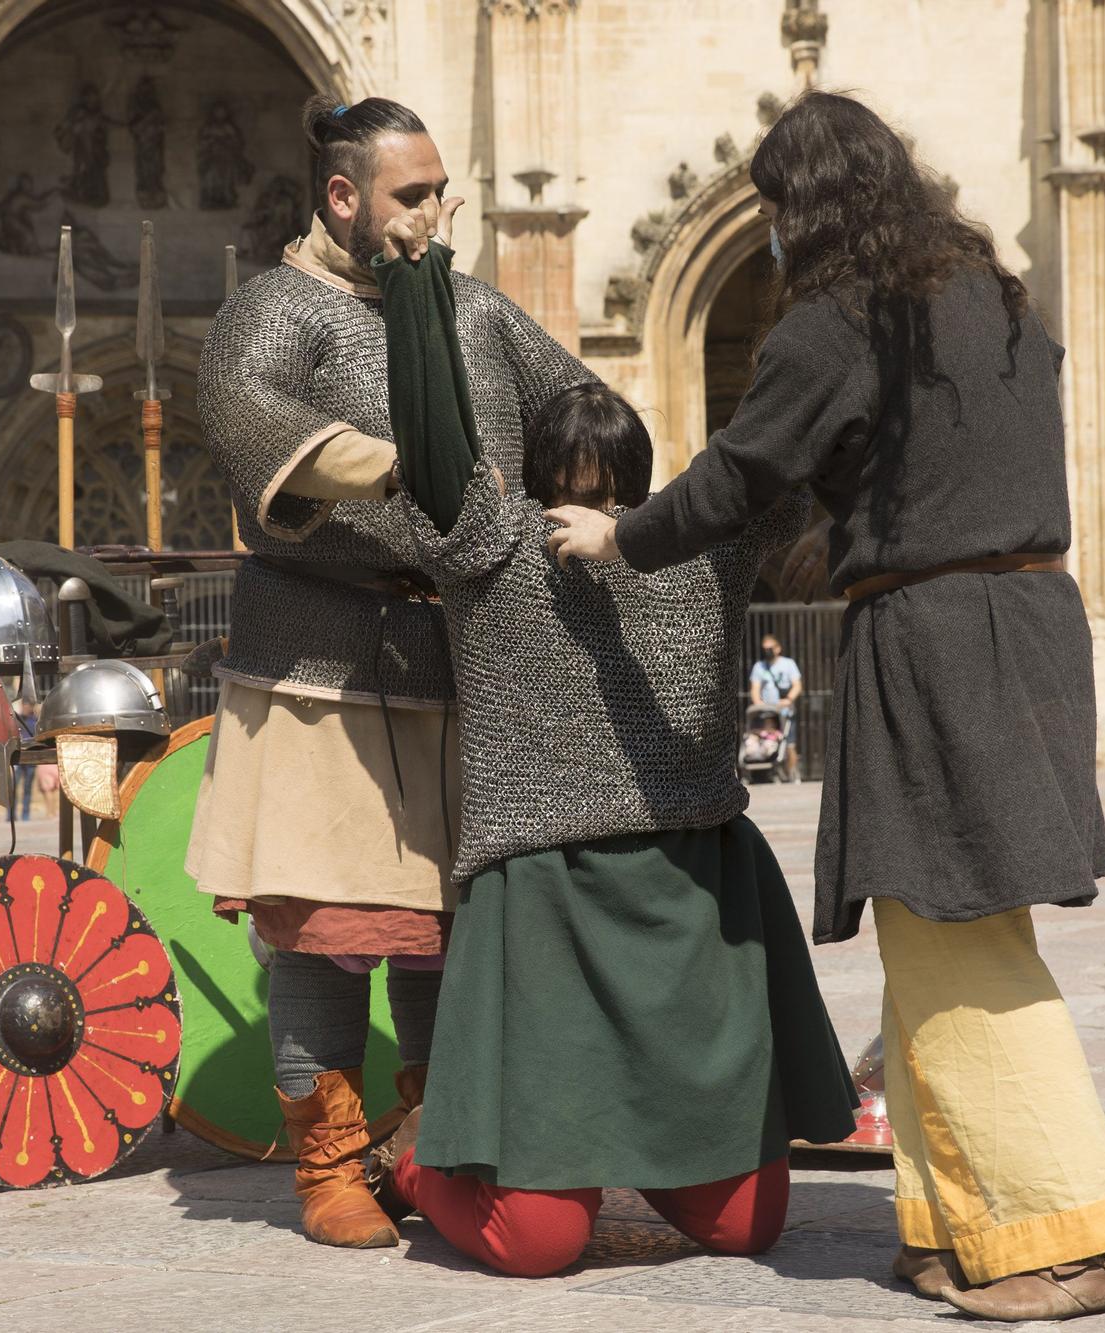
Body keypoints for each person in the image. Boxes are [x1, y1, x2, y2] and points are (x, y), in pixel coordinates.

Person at [546, 91, 1105, 1321]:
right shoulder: (991, 290)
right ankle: (955, 1224)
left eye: (774, 211)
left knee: (968, 935)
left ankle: (1081, 1231)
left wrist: (620, 537)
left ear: (801, 206)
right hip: (1027, 623)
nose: (769, 236)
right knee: (926, 927)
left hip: (939, 640)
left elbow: (741, 469)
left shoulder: (837, 317)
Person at [359, 215, 854, 1277]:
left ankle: (627, 1153)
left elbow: (791, 447)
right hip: (544, 900)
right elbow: (435, 445)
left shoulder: (703, 546)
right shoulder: (487, 548)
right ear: (536, 482)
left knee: (745, 1225)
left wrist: (833, 277)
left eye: (609, 489)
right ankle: (418, 1162)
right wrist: (414, 292)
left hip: (691, 891)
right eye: (571, 487)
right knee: (537, 1244)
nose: (587, 505)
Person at [185, 94, 591, 1251]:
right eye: (411, 195)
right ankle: (328, 1160)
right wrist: (418, 466)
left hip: (456, 660)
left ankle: (429, 1145)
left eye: (439, 189)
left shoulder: (470, 307)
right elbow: (246, 414)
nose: (435, 211)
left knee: (438, 927)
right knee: (322, 928)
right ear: (343, 197)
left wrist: (599, 452)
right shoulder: (276, 311)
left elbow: (575, 402)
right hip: (316, 662)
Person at [749, 633, 804, 780]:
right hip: (768, 713)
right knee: (769, 742)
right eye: (765, 648)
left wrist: (788, 699)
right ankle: (773, 773)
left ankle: (792, 774)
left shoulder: (788, 664)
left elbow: (797, 685)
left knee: (789, 744)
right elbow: (755, 688)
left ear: (778, 648)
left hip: (785, 711)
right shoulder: (759, 667)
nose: (768, 651)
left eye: (770, 648)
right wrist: (758, 703)